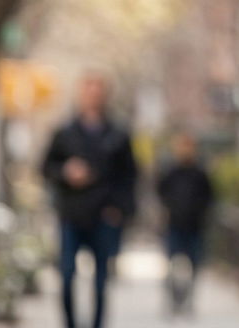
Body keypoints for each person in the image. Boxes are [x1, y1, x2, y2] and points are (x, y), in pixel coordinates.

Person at [41, 74, 137, 328]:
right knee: (67, 274)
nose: (93, 97)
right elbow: (46, 167)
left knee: (100, 281)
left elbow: (130, 175)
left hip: (104, 215)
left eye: (97, 92)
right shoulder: (64, 133)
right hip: (71, 214)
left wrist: (119, 209)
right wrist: (66, 172)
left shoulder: (118, 134)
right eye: (88, 91)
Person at [155, 132, 216, 317]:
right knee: (172, 265)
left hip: (195, 225)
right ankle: (173, 300)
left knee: (194, 266)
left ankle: (188, 300)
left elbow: (209, 197)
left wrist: (200, 211)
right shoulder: (170, 171)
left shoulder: (200, 173)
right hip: (174, 224)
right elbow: (160, 192)